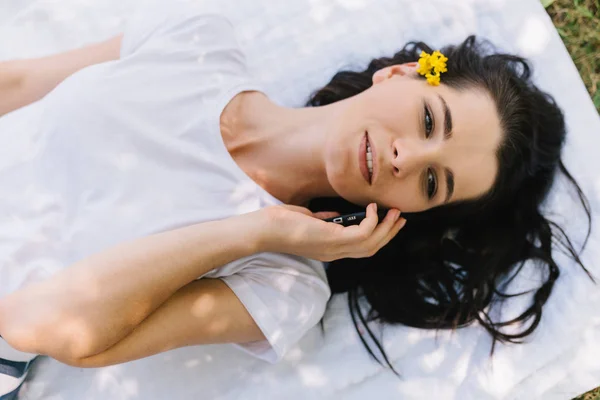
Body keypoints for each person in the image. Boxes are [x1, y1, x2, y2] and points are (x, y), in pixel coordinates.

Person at [0, 0, 592, 391]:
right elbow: (19, 82)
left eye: (432, 183)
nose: (405, 157)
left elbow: (36, 325)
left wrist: (255, 231)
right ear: (404, 74)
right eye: (431, 121)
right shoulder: (197, 41)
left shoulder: (284, 282)